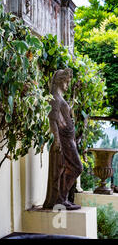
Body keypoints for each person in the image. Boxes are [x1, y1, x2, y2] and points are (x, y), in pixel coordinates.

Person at [43, 68, 83, 210]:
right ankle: (60, 199)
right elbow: (52, 119)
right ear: (60, 81)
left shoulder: (59, 96)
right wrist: (57, 140)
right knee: (76, 167)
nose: (67, 85)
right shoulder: (55, 97)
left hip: (68, 139)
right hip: (64, 140)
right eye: (66, 82)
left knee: (68, 168)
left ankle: (62, 198)